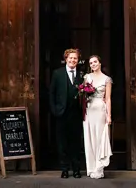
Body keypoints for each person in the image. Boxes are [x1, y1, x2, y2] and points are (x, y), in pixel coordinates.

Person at [47, 48, 85, 178]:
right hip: (61, 114)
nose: (73, 60)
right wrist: (54, 110)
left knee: (75, 143)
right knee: (62, 142)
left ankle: (76, 169)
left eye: (75, 58)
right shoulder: (57, 73)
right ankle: (64, 169)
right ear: (66, 59)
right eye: (70, 58)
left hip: (76, 114)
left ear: (78, 60)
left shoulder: (81, 75)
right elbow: (51, 93)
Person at [82, 55, 113, 179]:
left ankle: (99, 167)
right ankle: (91, 167)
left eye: (95, 62)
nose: (93, 64)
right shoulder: (87, 77)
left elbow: (108, 98)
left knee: (99, 137)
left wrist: (109, 115)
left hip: (100, 109)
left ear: (100, 63)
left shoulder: (107, 79)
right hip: (89, 110)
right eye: (91, 63)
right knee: (89, 137)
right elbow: (83, 95)